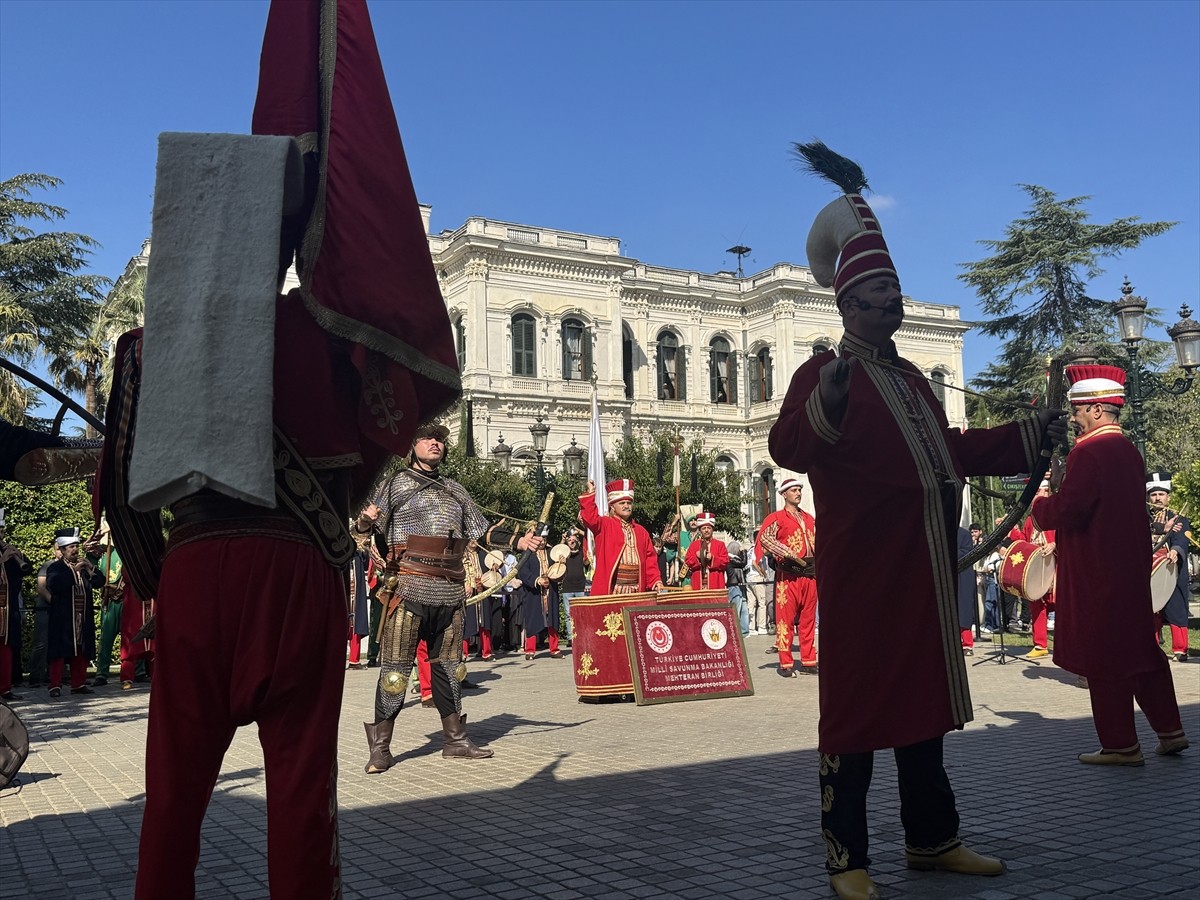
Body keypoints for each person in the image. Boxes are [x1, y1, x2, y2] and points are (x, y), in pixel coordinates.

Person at [96, 4, 466, 897]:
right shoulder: (331, 339)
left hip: (196, 574)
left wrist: (166, 577)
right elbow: (388, 420)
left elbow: (123, 503)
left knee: (172, 799)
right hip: (300, 573)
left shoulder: (146, 349)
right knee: (303, 796)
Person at [769, 141, 1068, 900]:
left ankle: (933, 840)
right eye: (881, 299)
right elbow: (789, 444)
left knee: (921, 713)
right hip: (866, 574)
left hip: (924, 571)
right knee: (857, 716)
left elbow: (953, 453)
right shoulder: (819, 372)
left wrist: (1033, 433)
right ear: (847, 306)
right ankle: (848, 858)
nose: (895, 308)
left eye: (898, 296)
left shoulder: (910, 379)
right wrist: (830, 398)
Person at [356, 423, 544, 772]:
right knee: (396, 672)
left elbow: (483, 529)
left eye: (440, 440)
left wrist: (519, 542)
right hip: (409, 586)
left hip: (448, 588)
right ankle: (380, 748)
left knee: (450, 669)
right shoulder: (395, 484)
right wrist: (366, 523)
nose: (435, 444)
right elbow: (365, 527)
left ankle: (455, 740)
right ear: (412, 445)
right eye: (428, 438)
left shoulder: (455, 489)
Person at [1031, 369, 1188, 765]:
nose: (1073, 417)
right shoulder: (1128, 451)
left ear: (1098, 408)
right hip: (1127, 570)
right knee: (1142, 651)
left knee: (1103, 656)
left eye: (1078, 409)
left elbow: (1071, 509)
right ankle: (1170, 730)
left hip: (1096, 571)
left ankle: (1120, 744)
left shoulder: (1090, 452)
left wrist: (1039, 506)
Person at [756, 478, 818, 676]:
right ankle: (786, 663)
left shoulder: (809, 518)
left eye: (799, 490)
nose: (798, 493)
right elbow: (765, 539)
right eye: (793, 490)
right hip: (788, 575)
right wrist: (785, 550)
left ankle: (808, 661)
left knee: (809, 621)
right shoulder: (777, 518)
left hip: (810, 574)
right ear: (784, 494)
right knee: (786, 620)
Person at [44, 529, 103, 698]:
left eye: (77, 546)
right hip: (63, 617)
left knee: (82, 649)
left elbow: (99, 582)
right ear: (62, 550)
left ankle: (78, 684)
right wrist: (74, 570)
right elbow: (54, 584)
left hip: (82, 615)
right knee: (59, 651)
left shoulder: (84, 567)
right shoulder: (55, 567)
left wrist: (90, 568)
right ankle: (54, 685)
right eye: (71, 547)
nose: (75, 550)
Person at [579, 479, 663, 595]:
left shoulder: (641, 531)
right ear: (612, 506)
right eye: (622, 503)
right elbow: (590, 518)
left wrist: (655, 580)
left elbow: (650, 559)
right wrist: (590, 494)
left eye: (629, 503)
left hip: (637, 591)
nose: (626, 506)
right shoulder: (605, 525)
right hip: (612, 591)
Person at [1007, 480, 1056, 658]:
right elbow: (1024, 542)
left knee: (1063, 605)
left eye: (1042, 491)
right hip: (1037, 569)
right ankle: (1040, 644)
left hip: (1056, 567)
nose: (1039, 495)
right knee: (1037, 605)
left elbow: (1068, 535)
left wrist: (1055, 544)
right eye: (1036, 492)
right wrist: (1011, 529)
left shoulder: (1056, 515)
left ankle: (1068, 645)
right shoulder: (1029, 519)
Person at [1147, 471, 1191, 663]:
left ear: (1168, 497)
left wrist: (1176, 549)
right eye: (1154, 494)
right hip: (1147, 570)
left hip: (1170, 569)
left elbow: (1182, 538)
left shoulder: (1178, 518)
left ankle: (1180, 649)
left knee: (1176, 608)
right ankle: (1152, 646)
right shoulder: (1143, 518)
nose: (1157, 498)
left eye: (1161, 494)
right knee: (1151, 608)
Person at [0, 509, 33, 701]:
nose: (1, 535)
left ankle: (5, 688)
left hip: (7, 609)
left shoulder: (8, 553)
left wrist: (19, 557)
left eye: (2, 531)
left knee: (6, 649)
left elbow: (24, 573)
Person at [683, 511, 729, 591]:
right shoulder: (694, 545)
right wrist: (697, 557)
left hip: (715, 584)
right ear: (700, 530)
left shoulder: (720, 545)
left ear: (712, 529)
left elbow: (725, 561)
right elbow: (688, 561)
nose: (706, 530)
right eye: (704, 528)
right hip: (698, 584)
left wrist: (713, 558)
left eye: (709, 528)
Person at [557, 528, 588, 642]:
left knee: (582, 614)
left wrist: (579, 532)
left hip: (580, 587)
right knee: (568, 614)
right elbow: (556, 552)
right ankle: (571, 638)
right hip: (567, 588)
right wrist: (562, 539)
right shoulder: (564, 555)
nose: (572, 542)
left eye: (574, 540)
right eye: (569, 540)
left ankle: (583, 635)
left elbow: (590, 541)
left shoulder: (581, 553)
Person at [970, 523, 1000, 634]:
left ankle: (990, 625)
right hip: (981, 576)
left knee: (990, 602)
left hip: (991, 578)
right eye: (972, 532)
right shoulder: (986, 555)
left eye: (975, 531)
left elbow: (993, 567)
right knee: (983, 602)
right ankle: (986, 623)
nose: (973, 534)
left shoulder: (994, 555)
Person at [956, 526, 976, 656]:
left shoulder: (964, 534)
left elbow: (967, 553)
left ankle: (967, 644)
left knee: (964, 610)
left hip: (963, 575)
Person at [725, 539, 751, 637]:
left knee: (744, 609)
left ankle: (744, 631)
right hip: (734, 586)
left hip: (740, 585)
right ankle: (735, 631)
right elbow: (743, 563)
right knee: (737, 609)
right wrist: (744, 551)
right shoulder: (730, 559)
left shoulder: (735, 558)